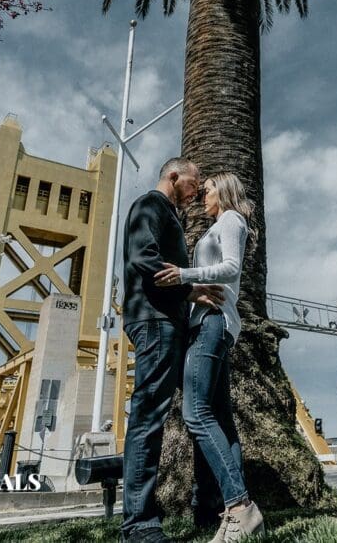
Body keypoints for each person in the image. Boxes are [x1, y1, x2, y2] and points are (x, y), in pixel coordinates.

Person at [155, 172, 264, 542]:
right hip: (210, 323)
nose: (203, 194)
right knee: (222, 420)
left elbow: (231, 267)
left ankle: (241, 508)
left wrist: (185, 275)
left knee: (195, 412)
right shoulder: (218, 225)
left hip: (213, 323)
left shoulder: (231, 220)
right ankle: (232, 515)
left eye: (208, 189)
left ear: (226, 191)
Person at [121, 157, 225, 543]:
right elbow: (143, 258)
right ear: (174, 176)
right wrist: (190, 289)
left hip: (170, 324)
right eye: (195, 183)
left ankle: (208, 505)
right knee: (148, 420)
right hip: (154, 323)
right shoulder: (149, 205)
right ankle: (139, 526)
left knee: (201, 410)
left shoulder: (170, 214)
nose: (197, 191)